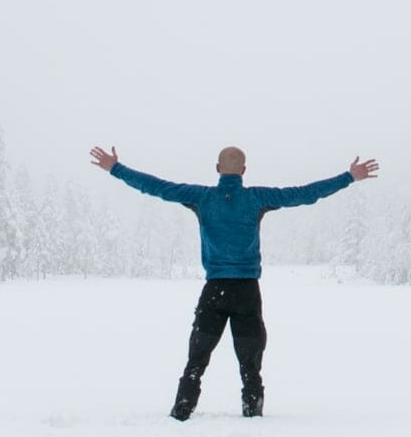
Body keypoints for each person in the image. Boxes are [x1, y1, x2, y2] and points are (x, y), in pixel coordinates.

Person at [89, 144, 378, 420]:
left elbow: (155, 186)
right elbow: (304, 194)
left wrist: (116, 169)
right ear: (244, 170)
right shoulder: (255, 198)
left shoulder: (202, 197)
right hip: (246, 292)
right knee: (250, 365)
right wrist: (348, 177)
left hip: (215, 289)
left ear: (217, 168)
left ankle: (182, 411)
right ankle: (252, 413)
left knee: (196, 361)